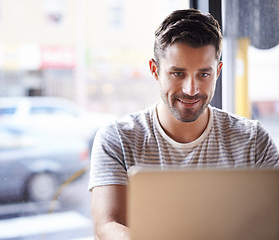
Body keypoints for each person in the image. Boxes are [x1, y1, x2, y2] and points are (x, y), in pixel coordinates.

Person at [88, 8, 279, 240]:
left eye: (204, 75)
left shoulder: (253, 140)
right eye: (178, 74)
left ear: (217, 72)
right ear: (155, 70)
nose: (191, 89)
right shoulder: (117, 138)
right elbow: (108, 226)